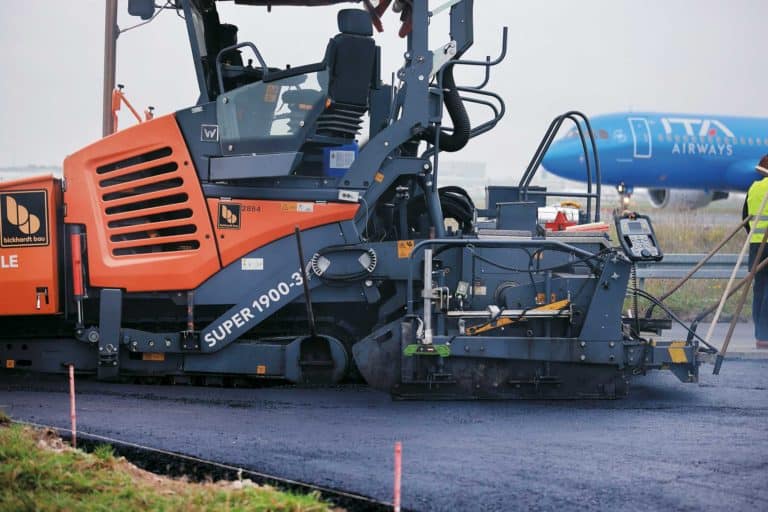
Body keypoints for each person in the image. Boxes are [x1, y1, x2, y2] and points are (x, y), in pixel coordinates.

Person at [743, 155, 768, 348]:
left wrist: (754, 235)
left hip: (756, 244)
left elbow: (745, 217)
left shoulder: (754, 187)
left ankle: (760, 335)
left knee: (759, 288)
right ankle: (765, 335)